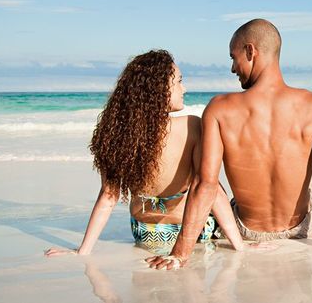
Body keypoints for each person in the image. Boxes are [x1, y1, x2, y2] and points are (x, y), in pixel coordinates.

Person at [147, 19, 312, 269]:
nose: (233, 68)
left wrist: (180, 253)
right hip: (306, 229)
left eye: (233, 58)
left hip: (248, 231)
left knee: (208, 177)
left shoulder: (219, 109)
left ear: (250, 51)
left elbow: (206, 184)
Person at [45, 50, 243, 258]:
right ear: (160, 89)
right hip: (191, 233)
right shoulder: (191, 126)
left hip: (144, 233)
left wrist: (82, 251)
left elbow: (108, 196)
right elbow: (210, 191)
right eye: (179, 81)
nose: (184, 88)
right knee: (225, 195)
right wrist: (240, 246)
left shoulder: (117, 135)